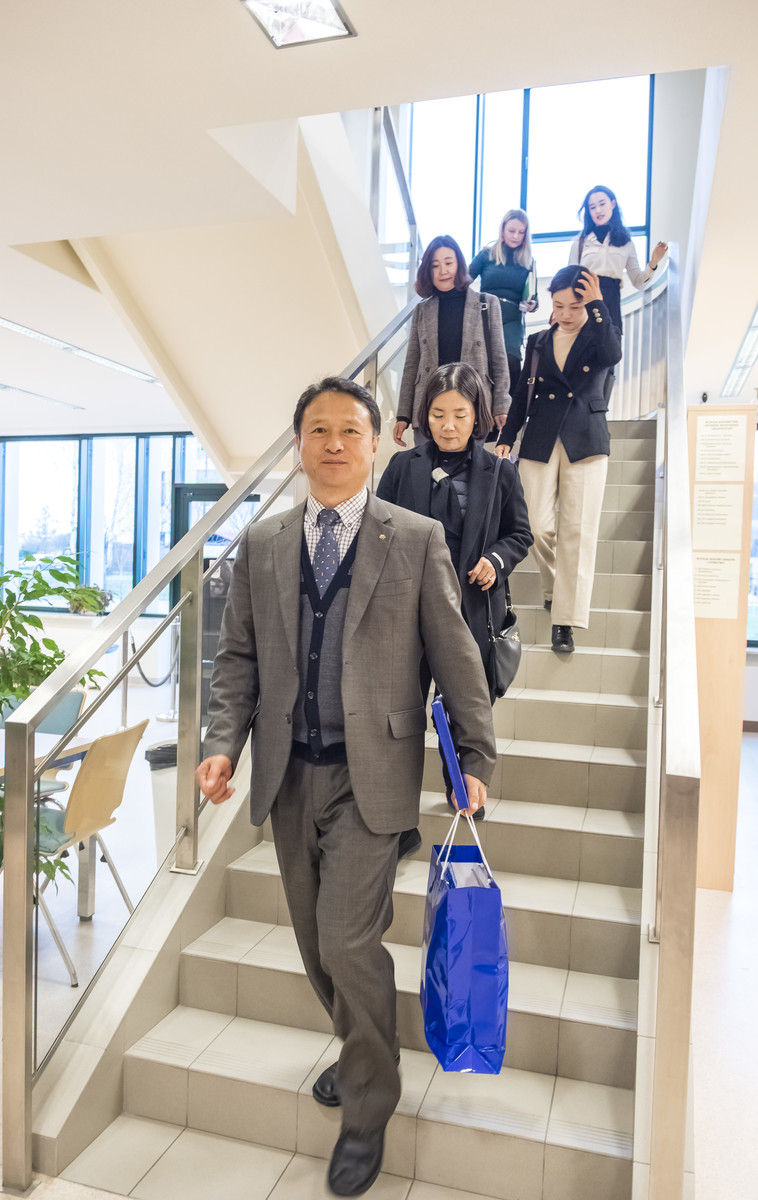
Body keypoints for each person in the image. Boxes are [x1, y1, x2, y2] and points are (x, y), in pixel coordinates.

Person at [196, 377, 497, 1198]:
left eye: (350, 431)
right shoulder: (263, 542)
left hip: (374, 777)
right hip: (288, 772)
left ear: (374, 444)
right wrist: (222, 744)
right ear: (299, 444)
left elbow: (456, 656)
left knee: (345, 941)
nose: (334, 443)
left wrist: (474, 757)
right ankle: (368, 1046)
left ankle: (368, 1106)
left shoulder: (416, 537)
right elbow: (238, 659)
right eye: (318, 430)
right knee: (313, 943)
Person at [378, 361, 532, 833]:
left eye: (460, 415)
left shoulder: (499, 472)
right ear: (426, 415)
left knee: (464, 707)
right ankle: (396, 816)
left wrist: (496, 560)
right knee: (400, 715)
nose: (448, 425)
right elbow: (377, 529)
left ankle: (463, 790)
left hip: (470, 610)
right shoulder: (403, 467)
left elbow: (520, 534)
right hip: (406, 613)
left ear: (477, 415)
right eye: (438, 414)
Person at [494, 266, 622, 654]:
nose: (565, 314)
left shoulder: (599, 333)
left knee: (578, 531)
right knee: (533, 525)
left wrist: (598, 304)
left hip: (586, 439)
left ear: (588, 303)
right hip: (540, 437)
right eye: (559, 305)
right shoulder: (538, 342)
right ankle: (553, 587)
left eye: (574, 306)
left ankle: (565, 621)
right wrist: (506, 437)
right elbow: (521, 395)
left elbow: (613, 354)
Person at [394, 234, 510, 448]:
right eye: (435, 265)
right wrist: (403, 414)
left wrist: (501, 405)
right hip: (429, 408)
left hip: (472, 405)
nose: (443, 271)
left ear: (460, 265)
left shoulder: (487, 304)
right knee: (425, 468)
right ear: (427, 271)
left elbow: (499, 360)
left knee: (470, 469)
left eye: (448, 263)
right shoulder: (422, 310)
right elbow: (412, 364)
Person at [571, 185, 668, 335]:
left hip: (612, 304)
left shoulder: (626, 242)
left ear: (613, 204)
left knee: (611, 347)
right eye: (592, 207)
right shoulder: (580, 242)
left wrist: (653, 263)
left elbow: (638, 282)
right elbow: (569, 280)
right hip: (585, 304)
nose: (598, 210)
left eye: (602, 204)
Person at [469, 209, 539, 399]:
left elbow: (534, 297)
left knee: (511, 359)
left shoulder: (529, 262)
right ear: (502, 230)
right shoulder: (486, 255)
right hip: (485, 314)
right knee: (483, 360)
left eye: (521, 232)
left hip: (512, 318)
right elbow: (464, 280)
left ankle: (511, 408)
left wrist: (532, 304)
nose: (516, 236)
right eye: (511, 231)